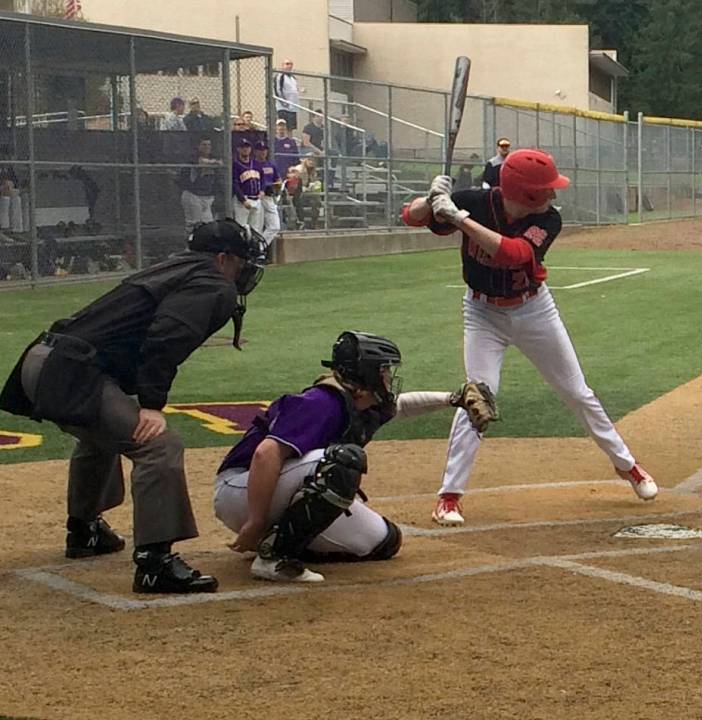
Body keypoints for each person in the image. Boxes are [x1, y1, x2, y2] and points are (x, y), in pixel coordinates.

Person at [0, 220, 267, 593]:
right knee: (158, 446)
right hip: (71, 371)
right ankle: (154, 563)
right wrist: (152, 405)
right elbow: (166, 335)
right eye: (241, 261)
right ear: (222, 259)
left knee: (101, 437)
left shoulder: (172, 268)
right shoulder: (213, 283)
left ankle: (85, 530)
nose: (245, 270)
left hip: (44, 359)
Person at [402, 149, 658, 526]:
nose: (553, 196)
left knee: (577, 392)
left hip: (533, 310)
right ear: (526, 194)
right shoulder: (475, 201)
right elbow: (411, 217)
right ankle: (449, 496)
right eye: (546, 190)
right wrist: (431, 199)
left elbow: (514, 254)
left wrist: (459, 218)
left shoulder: (547, 220)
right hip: (482, 313)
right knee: (478, 397)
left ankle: (628, 467)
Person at [213, 331, 494, 582]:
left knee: (382, 541)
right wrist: (256, 520)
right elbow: (266, 454)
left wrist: (453, 398)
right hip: (241, 490)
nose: (389, 377)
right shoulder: (322, 402)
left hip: (278, 487)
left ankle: (279, 538)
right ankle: (273, 556)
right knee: (342, 463)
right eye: (384, 370)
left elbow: (403, 406)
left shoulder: (361, 402)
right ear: (367, 373)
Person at [179, 136, 220, 235]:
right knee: (194, 224)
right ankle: (190, 247)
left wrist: (214, 162)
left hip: (207, 197)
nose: (207, 147)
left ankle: (204, 247)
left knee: (209, 225)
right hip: (193, 195)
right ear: (198, 146)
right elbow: (201, 162)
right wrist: (213, 162)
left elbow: (221, 162)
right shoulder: (192, 157)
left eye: (209, 145)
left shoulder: (213, 157)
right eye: (204, 145)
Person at [232, 138, 263, 234]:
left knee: (256, 230)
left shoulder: (256, 164)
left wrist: (262, 191)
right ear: (238, 149)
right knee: (241, 229)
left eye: (247, 147)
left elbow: (263, 179)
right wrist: (243, 200)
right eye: (242, 147)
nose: (245, 149)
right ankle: (240, 249)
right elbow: (235, 184)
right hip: (243, 201)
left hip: (256, 199)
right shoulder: (236, 165)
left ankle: (254, 249)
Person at [253, 141, 281, 246]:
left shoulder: (271, 164)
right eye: (260, 150)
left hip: (269, 196)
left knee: (275, 226)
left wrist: (275, 184)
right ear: (255, 151)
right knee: (257, 226)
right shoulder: (253, 164)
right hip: (257, 197)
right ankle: (257, 250)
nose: (263, 152)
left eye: (264, 149)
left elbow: (278, 180)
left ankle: (259, 247)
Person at [274, 58, 301, 132]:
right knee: (282, 127)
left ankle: (289, 142)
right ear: (282, 65)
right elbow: (277, 90)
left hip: (293, 107)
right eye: (287, 64)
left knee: (290, 128)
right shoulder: (280, 76)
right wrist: (283, 102)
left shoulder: (293, 78)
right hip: (283, 107)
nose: (289, 66)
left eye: (291, 64)